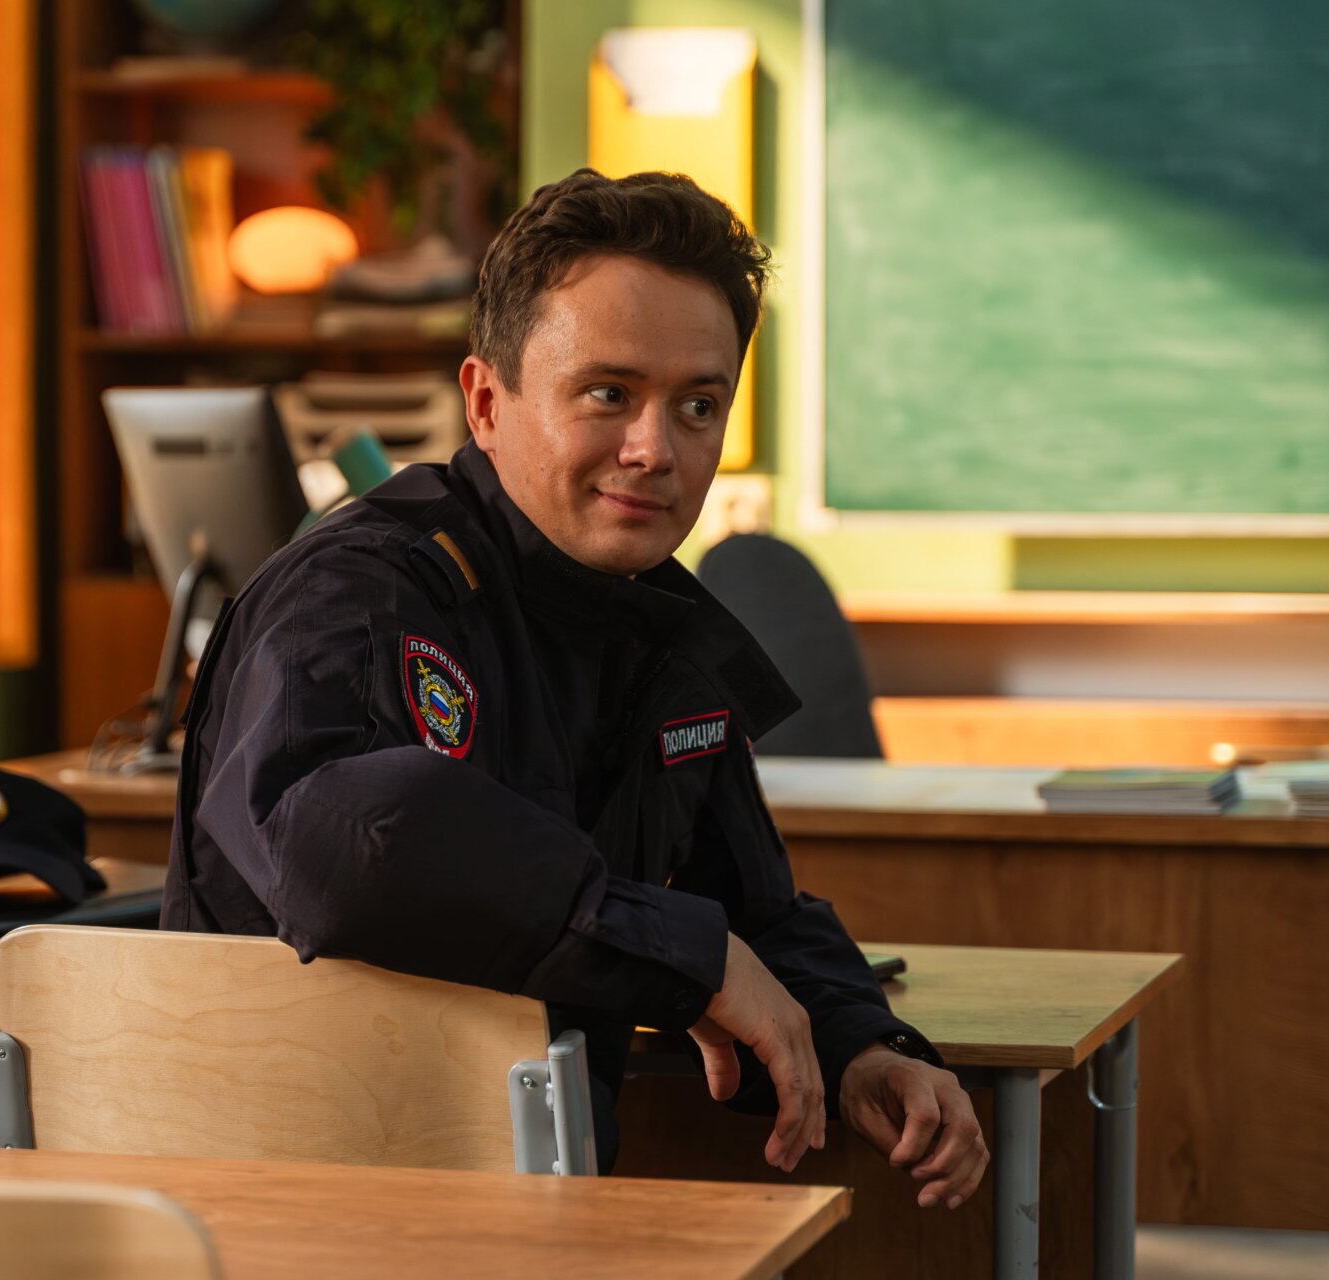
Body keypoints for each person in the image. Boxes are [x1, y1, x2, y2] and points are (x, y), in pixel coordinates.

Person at [161, 168, 988, 1206]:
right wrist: (683, 955)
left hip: (534, 1200)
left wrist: (865, 1043)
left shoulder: (660, 629)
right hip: (292, 1204)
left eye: (698, 406)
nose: (655, 450)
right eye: (608, 394)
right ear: (486, 401)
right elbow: (348, 846)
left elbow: (750, 910)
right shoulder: (363, 591)